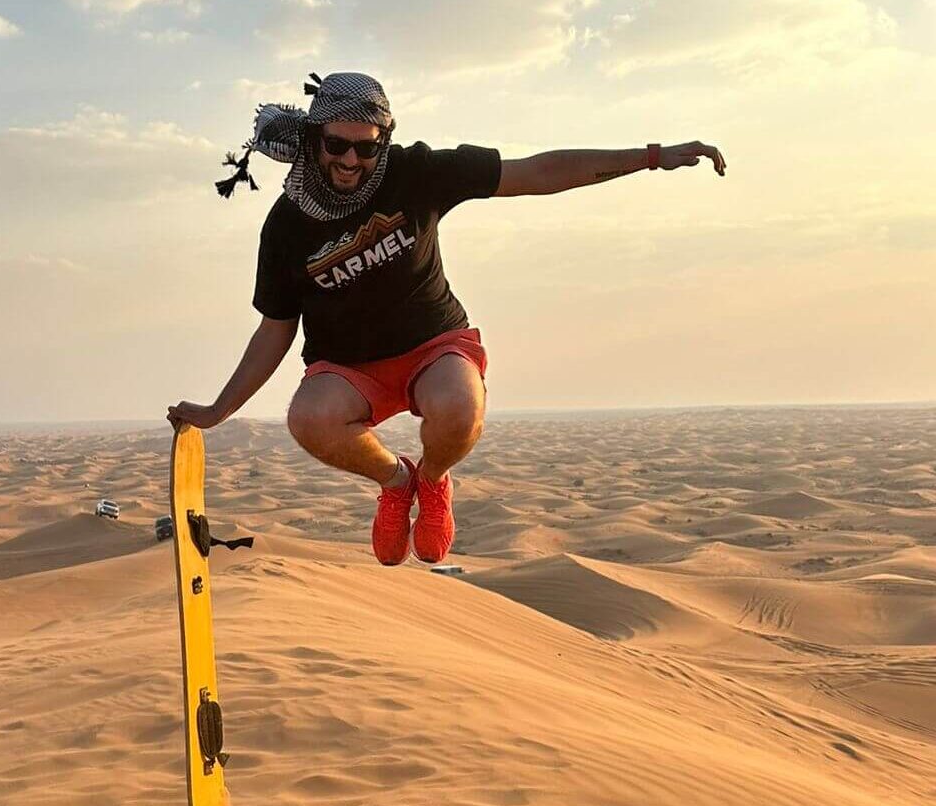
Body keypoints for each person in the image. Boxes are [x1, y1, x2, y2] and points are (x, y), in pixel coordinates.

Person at [169, 72, 725, 566]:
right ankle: (397, 482)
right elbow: (275, 328)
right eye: (336, 145)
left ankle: (433, 481)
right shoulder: (288, 224)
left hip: (434, 344)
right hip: (347, 366)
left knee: (460, 408)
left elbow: (537, 172)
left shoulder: (417, 172)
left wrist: (653, 156)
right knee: (307, 420)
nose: (350, 161)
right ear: (314, 140)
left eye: (366, 148)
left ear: (383, 142)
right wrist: (220, 409)